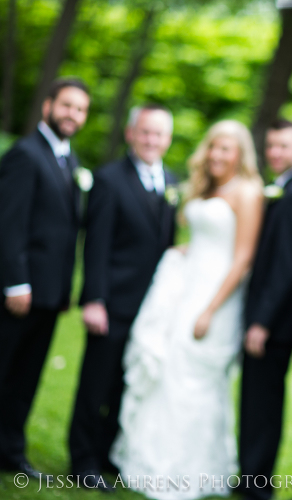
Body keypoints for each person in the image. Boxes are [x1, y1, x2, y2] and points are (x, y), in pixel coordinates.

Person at [110, 120, 264, 500]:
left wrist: (210, 309)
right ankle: (151, 458)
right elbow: (206, 239)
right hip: (187, 288)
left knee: (195, 379)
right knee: (167, 370)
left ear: (240, 154)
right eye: (213, 147)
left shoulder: (248, 191)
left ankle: (191, 470)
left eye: (226, 148)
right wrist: (186, 251)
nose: (217, 155)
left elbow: (242, 258)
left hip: (216, 299)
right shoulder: (208, 186)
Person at [68, 104, 178, 490]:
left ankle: (106, 454)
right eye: (145, 132)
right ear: (131, 134)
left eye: (159, 134)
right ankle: (82, 460)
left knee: (125, 383)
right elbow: (95, 244)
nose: (151, 140)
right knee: (95, 383)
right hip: (111, 303)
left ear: (168, 139)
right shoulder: (110, 179)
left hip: (150, 308)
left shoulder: (172, 180)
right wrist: (94, 300)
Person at [0, 78, 90, 479]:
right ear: (47, 106)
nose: (73, 115)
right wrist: (15, 283)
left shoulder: (68, 160)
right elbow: (8, 224)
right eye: (67, 106)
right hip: (20, 291)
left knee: (26, 378)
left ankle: (9, 451)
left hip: (50, 295)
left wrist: (63, 288)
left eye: (81, 109)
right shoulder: (26, 154)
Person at [238, 119, 292, 500]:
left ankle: (257, 484)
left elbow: (289, 264)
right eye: (270, 146)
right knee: (255, 400)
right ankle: (250, 475)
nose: (274, 153)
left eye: (283, 147)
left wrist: (261, 322)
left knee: (264, 403)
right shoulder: (284, 188)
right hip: (267, 318)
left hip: (274, 323)